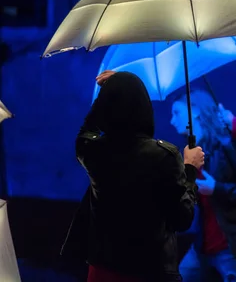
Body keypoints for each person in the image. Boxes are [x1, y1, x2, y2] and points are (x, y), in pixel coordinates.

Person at [64, 71, 205, 282]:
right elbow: (182, 218)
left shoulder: (92, 151)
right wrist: (190, 169)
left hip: (103, 271)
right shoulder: (163, 155)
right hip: (151, 272)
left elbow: (86, 130)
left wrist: (109, 91)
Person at [172, 90, 236, 282]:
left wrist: (217, 189)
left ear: (194, 112)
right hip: (203, 245)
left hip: (233, 245)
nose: (172, 121)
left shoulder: (226, 144)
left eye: (177, 113)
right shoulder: (190, 153)